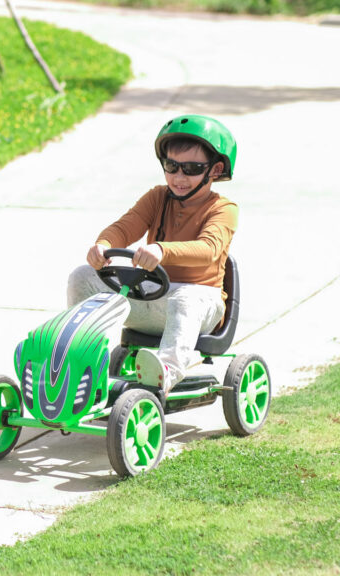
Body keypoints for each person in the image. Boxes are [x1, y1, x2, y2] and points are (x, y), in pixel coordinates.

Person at [67, 115, 238, 392]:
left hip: (200, 300)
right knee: (82, 276)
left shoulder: (223, 209)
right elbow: (125, 226)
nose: (179, 177)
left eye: (192, 168)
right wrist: (103, 244)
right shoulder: (157, 197)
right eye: (171, 166)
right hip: (152, 294)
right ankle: (82, 362)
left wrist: (161, 249)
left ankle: (167, 370)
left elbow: (209, 249)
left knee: (186, 298)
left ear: (215, 169)